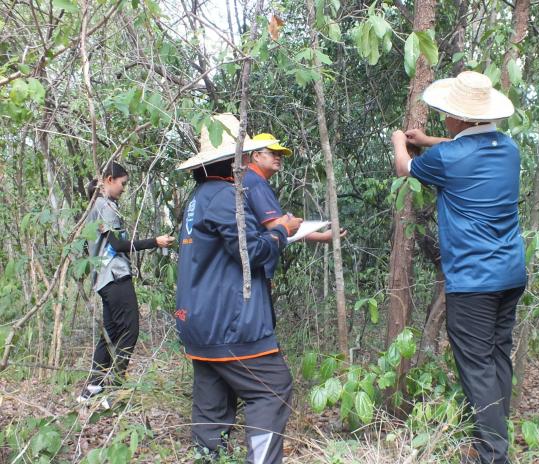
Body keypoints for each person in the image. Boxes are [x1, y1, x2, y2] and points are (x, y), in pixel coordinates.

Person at [391, 71, 527, 464]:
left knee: (476, 364)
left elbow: (406, 168)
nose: (444, 118)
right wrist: (429, 142)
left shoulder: (447, 159)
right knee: (498, 355)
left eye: (448, 113)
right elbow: (463, 148)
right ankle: (497, 435)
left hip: (474, 280)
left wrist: (402, 142)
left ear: (459, 118)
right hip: (510, 273)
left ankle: (491, 454)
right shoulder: (509, 148)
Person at [174, 113, 303, 463]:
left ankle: (207, 457)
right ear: (233, 158)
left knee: (212, 407)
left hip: (197, 320)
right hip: (228, 323)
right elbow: (253, 254)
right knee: (272, 389)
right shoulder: (223, 197)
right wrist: (282, 231)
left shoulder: (198, 197)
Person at [79, 161, 174, 402]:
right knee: (130, 331)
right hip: (115, 276)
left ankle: (92, 389)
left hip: (102, 280)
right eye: (123, 183)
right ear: (109, 180)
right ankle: (115, 389)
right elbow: (118, 245)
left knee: (111, 332)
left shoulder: (96, 206)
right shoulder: (104, 206)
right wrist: (156, 241)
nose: (124, 188)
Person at [244, 133, 346, 242]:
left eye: (280, 154)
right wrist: (321, 237)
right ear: (256, 156)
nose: (278, 157)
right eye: (273, 153)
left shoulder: (248, 177)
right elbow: (277, 228)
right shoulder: (256, 182)